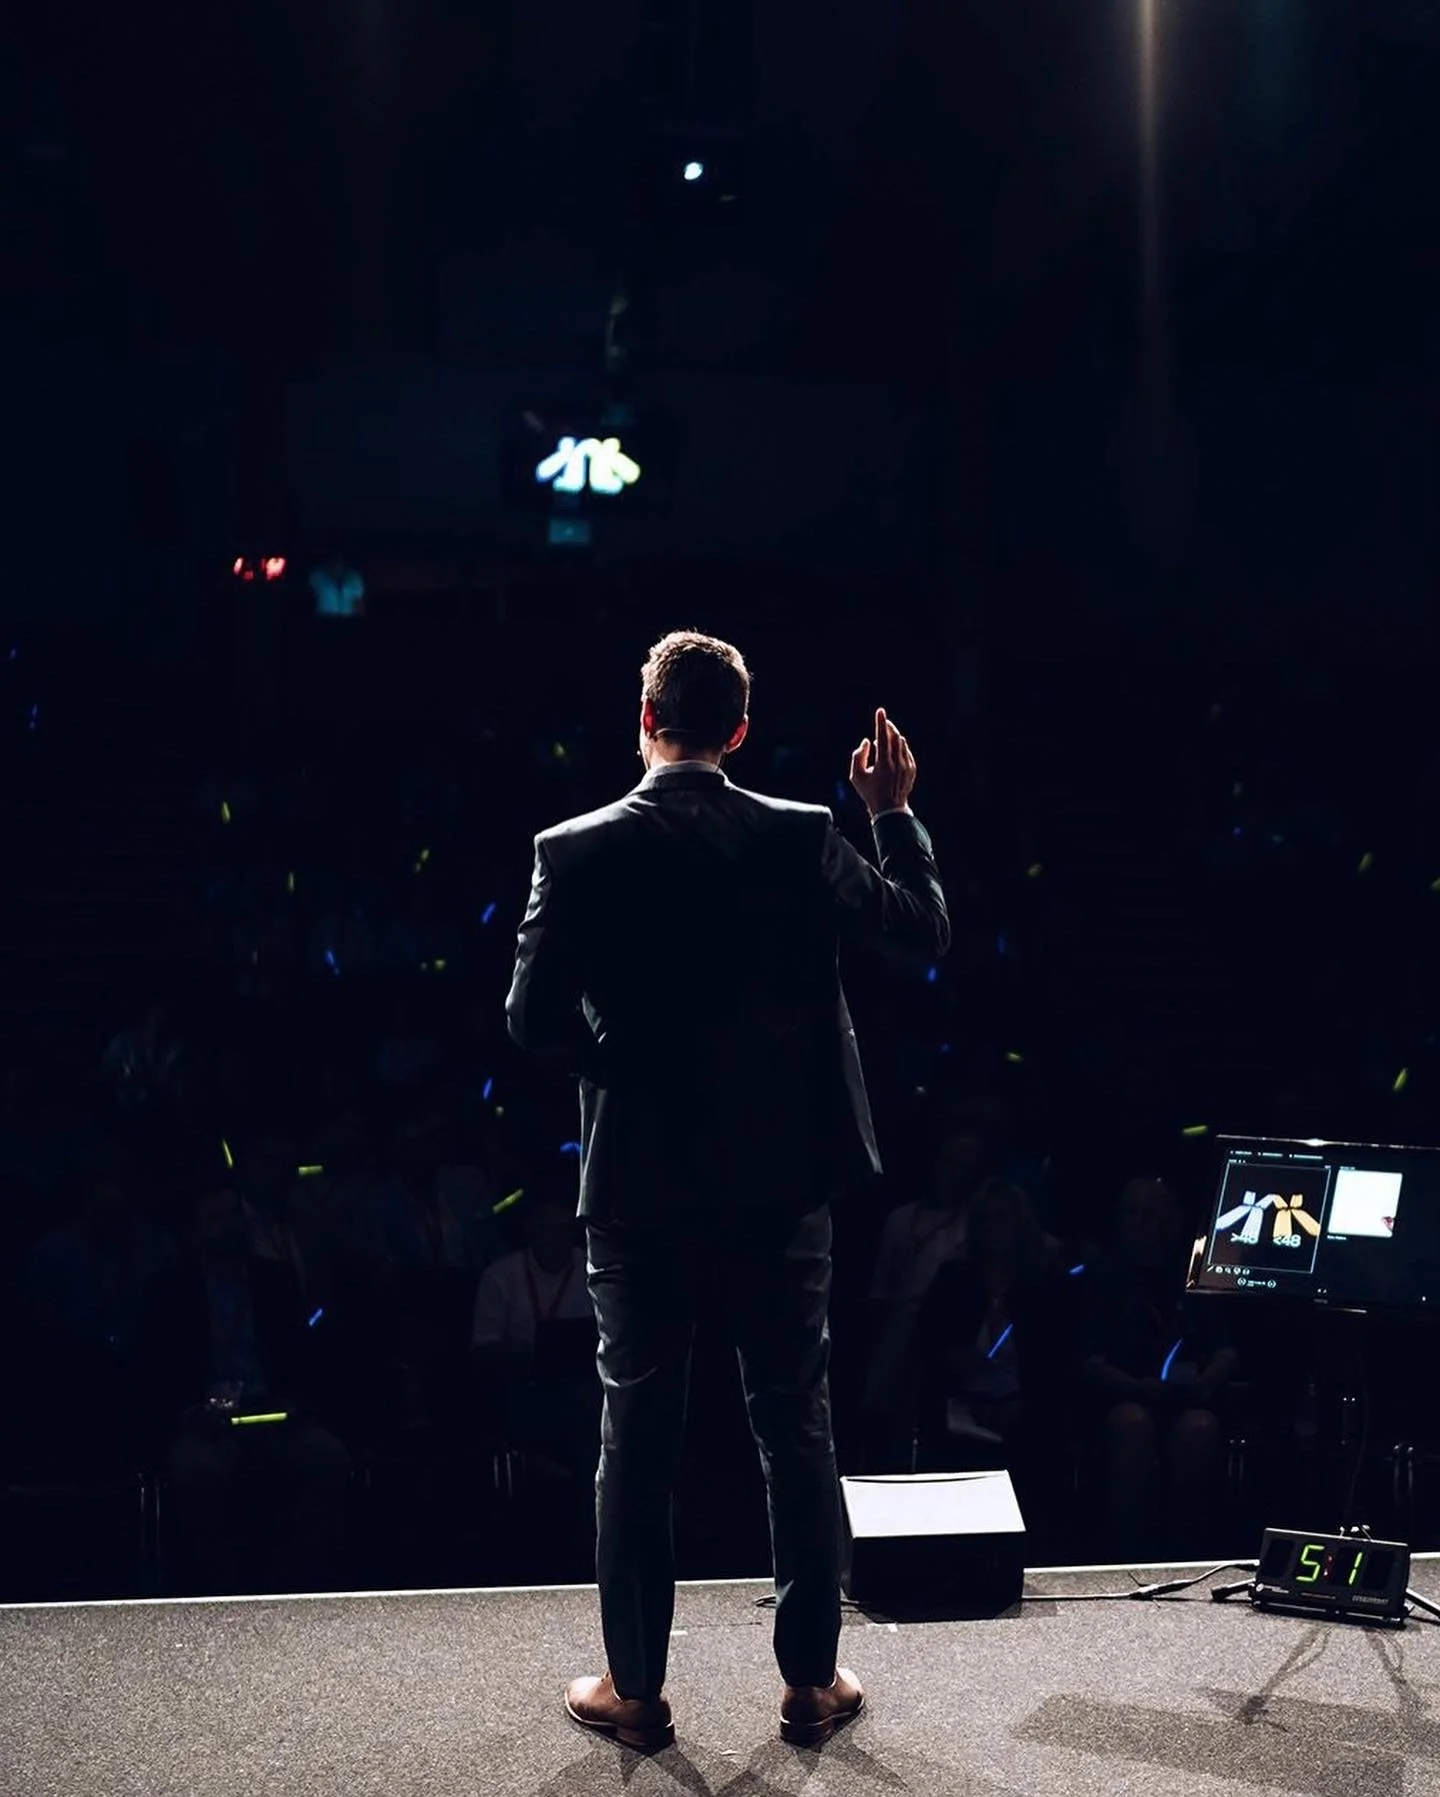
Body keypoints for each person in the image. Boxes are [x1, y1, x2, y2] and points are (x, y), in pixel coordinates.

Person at [506, 629, 949, 1752]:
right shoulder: (802, 835)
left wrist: (626, 1057)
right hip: (781, 1183)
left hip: (642, 1191)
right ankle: (809, 1684)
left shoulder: (575, 848)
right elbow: (921, 932)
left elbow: (530, 1021)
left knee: (638, 1435)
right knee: (794, 1424)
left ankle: (635, 1691)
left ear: (643, 717)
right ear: (740, 731)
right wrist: (890, 811)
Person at [1077, 1175, 1240, 1561]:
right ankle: (1126, 1556)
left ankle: (1187, 1556)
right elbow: (1088, 1361)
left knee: (1198, 1429)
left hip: (1188, 1396)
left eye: (1152, 1213)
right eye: (1132, 1213)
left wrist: (1204, 1382)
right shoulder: (1100, 1277)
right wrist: (1136, 1387)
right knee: (1131, 1423)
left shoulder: (1194, 1275)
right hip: (1120, 1396)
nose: (1142, 1223)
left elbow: (1227, 1350)